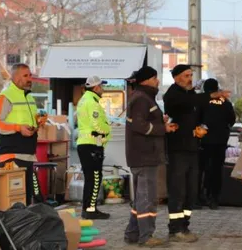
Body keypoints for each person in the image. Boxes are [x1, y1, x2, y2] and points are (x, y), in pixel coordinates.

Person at [163, 64, 230, 242]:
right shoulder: (172, 95)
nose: (189, 79)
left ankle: (185, 226)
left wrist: (201, 127)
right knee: (178, 190)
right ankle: (175, 229)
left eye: (191, 75)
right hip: (178, 150)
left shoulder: (191, 93)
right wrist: (212, 95)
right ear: (176, 78)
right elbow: (191, 103)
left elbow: (198, 110)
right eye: (186, 75)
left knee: (191, 190)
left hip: (193, 148)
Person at [123, 66, 175, 248]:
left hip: (143, 156)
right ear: (146, 80)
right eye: (155, 78)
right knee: (147, 199)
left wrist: (160, 122)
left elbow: (143, 122)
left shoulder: (142, 97)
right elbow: (139, 125)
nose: (157, 81)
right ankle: (146, 236)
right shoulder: (141, 99)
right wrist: (163, 129)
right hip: (145, 156)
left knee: (141, 198)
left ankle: (132, 233)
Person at [0, 63, 46, 205]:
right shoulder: (5, 97)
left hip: (27, 154)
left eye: (30, 75)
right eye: (25, 76)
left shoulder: (29, 97)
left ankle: (24, 226)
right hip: (12, 156)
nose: (29, 79)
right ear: (15, 77)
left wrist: (38, 122)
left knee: (25, 199)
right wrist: (18, 128)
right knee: (14, 200)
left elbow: (28, 124)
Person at [76, 76, 112, 220]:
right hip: (92, 144)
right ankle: (90, 210)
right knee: (95, 178)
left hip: (85, 144)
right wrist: (108, 130)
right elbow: (98, 125)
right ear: (96, 88)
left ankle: (88, 209)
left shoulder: (84, 100)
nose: (103, 89)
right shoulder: (93, 103)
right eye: (101, 87)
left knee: (90, 178)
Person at [197, 78, 236, 210]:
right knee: (217, 169)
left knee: (202, 168)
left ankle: (200, 197)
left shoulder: (202, 101)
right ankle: (214, 198)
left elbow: (196, 118)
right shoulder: (225, 102)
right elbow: (232, 120)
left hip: (204, 141)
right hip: (220, 141)